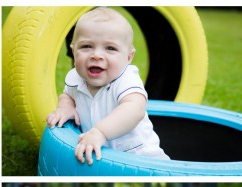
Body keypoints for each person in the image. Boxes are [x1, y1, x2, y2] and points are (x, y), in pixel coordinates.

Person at [45, 7, 169, 165]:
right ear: (73, 50)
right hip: (101, 152)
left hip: (140, 157)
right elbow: (67, 95)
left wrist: (101, 132)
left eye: (110, 48)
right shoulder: (75, 77)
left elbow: (134, 109)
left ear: (128, 57)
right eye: (86, 46)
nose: (96, 55)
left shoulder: (126, 79)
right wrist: (65, 106)